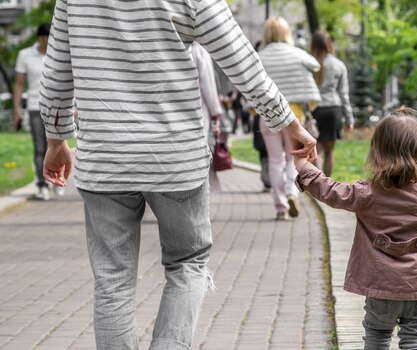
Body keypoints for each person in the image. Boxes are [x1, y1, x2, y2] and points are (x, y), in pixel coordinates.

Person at [39, 1, 316, 349]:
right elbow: (240, 58)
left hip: (105, 159)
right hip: (175, 156)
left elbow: (57, 69)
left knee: (112, 280)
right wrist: (287, 123)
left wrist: (56, 136)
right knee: (188, 263)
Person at [294, 107, 417, 349]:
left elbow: (331, 191)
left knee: (378, 336)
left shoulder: (368, 193)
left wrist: (304, 168)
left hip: (382, 286)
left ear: (377, 151)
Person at [258, 16, 321, 220]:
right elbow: (315, 65)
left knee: (275, 160)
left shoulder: (259, 56)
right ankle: (292, 192)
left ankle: (280, 207)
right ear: (286, 33)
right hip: (294, 116)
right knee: (293, 157)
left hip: (267, 116)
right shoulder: (297, 54)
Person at [13, 23, 64, 200]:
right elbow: (19, 84)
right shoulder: (25, 55)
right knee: (40, 147)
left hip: (57, 108)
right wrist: (17, 109)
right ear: (40, 38)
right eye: (46, 38)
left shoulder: (59, 54)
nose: (48, 41)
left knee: (57, 146)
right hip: (35, 106)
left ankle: (57, 180)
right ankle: (42, 185)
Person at [311, 30, 355, 177]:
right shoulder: (339, 65)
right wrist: (349, 119)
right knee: (329, 152)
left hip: (314, 110)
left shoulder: (309, 63)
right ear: (329, 44)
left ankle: (316, 184)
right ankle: (327, 188)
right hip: (333, 110)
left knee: (316, 151)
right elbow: (344, 94)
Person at [190, 41, 223, 193]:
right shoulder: (197, 50)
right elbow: (208, 86)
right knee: (197, 159)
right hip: (197, 114)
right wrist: (216, 112)